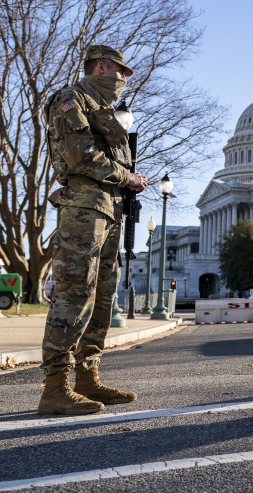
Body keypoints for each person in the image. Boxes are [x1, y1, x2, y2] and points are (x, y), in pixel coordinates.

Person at [39, 44, 148, 415]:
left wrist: (125, 183)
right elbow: (81, 156)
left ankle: (87, 378)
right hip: (84, 210)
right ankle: (55, 388)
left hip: (110, 210)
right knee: (74, 295)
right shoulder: (71, 100)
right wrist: (127, 176)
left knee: (102, 298)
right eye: (121, 72)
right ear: (101, 67)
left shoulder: (105, 111)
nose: (122, 80)